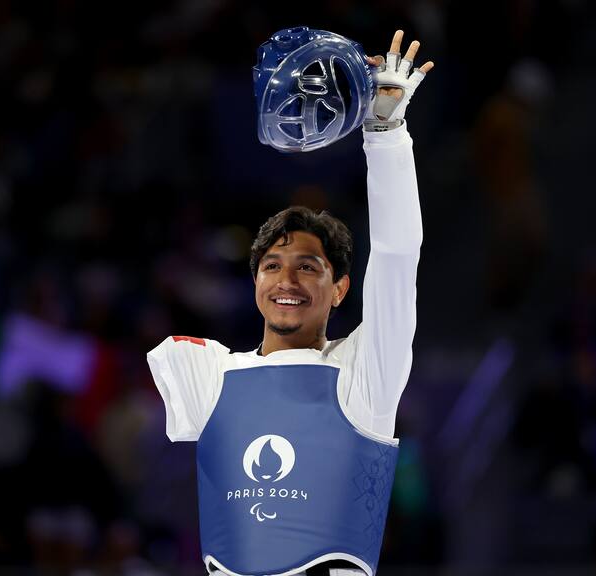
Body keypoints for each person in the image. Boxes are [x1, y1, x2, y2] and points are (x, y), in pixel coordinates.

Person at [148, 30, 433, 576]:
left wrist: (385, 133)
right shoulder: (209, 374)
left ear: (340, 288)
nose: (288, 280)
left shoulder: (363, 374)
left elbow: (399, 256)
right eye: (273, 266)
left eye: (309, 266)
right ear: (255, 281)